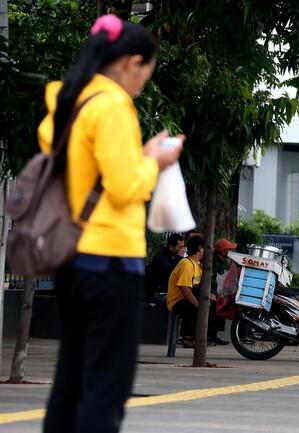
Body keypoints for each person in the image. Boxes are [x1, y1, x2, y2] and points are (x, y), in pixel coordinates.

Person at [40, 15, 183, 433]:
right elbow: (124, 189)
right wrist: (154, 162)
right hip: (111, 260)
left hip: (71, 256)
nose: (142, 84)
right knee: (106, 383)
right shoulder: (114, 105)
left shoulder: (71, 102)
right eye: (145, 73)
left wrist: (138, 154)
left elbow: (91, 173)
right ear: (130, 63)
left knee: (70, 379)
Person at [166, 235, 222, 347]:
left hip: (189, 294)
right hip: (177, 299)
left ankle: (209, 336)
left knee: (214, 303)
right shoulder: (186, 264)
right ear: (200, 248)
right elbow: (185, 289)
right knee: (193, 307)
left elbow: (197, 287)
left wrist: (209, 296)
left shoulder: (197, 265)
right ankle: (188, 338)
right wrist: (199, 305)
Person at [211, 238, 241, 342]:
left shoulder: (226, 262)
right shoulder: (214, 263)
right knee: (217, 303)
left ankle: (215, 334)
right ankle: (212, 334)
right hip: (213, 289)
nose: (231, 252)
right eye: (229, 250)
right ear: (224, 252)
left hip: (221, 290)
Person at [144, 234, 184, 301]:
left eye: (183, 247)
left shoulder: (174, 257)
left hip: (169, 292)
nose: (183, 250)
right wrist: (179, 257)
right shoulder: (160, 258)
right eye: (180, 247)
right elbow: (171, 272)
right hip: (159, 293)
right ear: (171, 247)